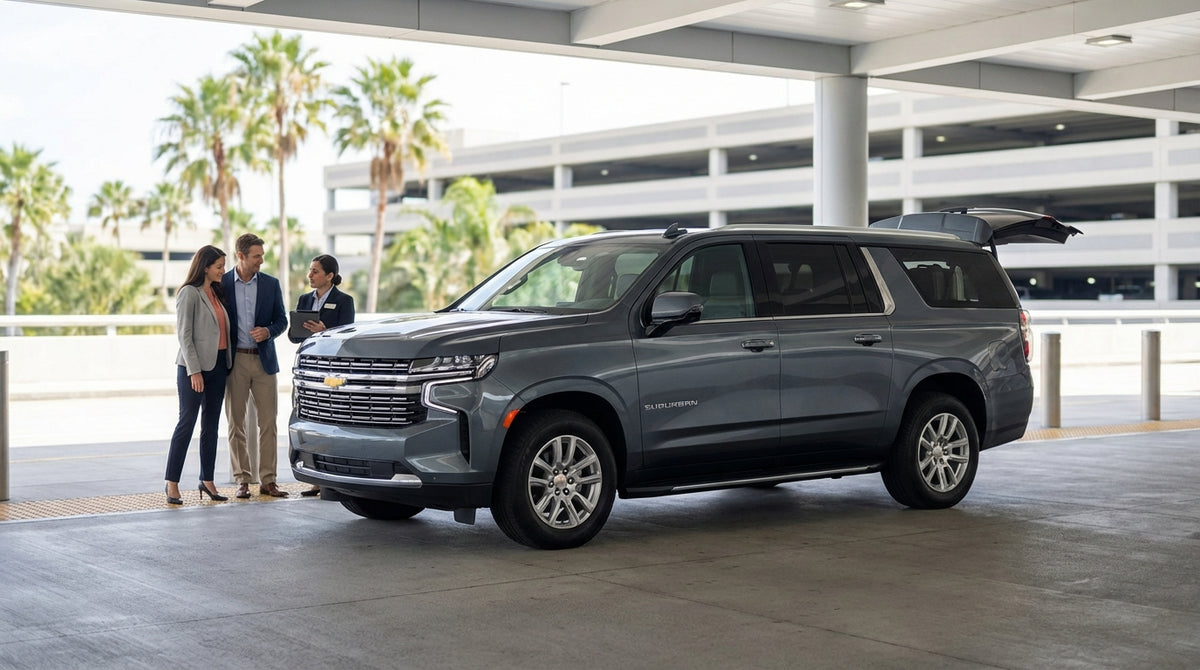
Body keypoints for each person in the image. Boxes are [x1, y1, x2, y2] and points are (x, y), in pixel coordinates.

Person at [164, 245, 233, 505]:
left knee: (211, 427)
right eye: (219, 266)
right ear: (205, 267)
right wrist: (194, 370)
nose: (222, 271)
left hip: (218, 367)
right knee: (187, 423)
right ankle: (172, 483)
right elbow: (184, 335)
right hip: (194, 369)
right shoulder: (189, 294)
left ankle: (207, 480)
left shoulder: (216, 293)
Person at [222, 233, 289, 499]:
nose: (261, 260)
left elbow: (282, 320)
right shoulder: (222, 283)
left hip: (263, 361)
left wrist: (268, 331)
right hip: (234, 360)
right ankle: (242, 480)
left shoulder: (271, 284)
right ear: (241, 256)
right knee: (235, 423)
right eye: (256, 256)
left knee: (268, 423)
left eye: (262, 255)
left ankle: (268, 480)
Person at [289, 254, 356, 496]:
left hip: (333, 372)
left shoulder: (344, 301)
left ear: (329, 276)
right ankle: (316, 476)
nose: (310, 275)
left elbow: (348, 336)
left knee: (333, 420)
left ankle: (334, 479)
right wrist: (303, 332)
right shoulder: (305, 299)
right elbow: (294, 336)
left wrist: (325, 331)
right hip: (309, 368)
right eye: (310, 270)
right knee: (311, 419)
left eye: (315, 271)